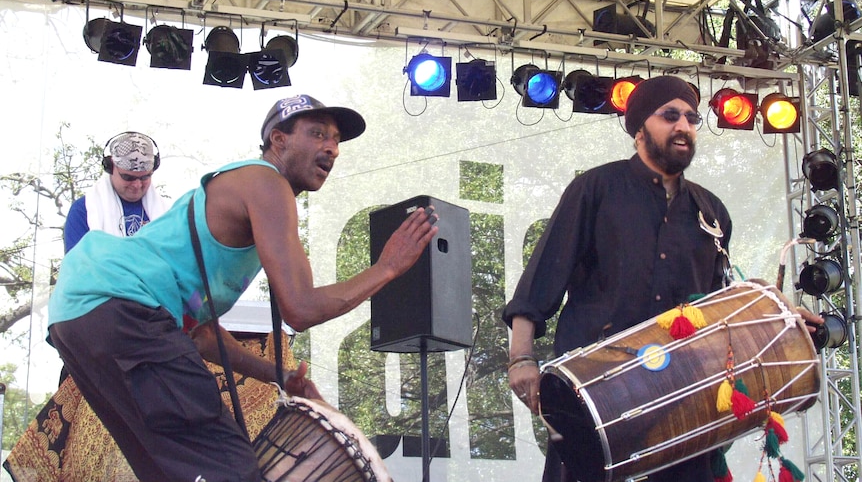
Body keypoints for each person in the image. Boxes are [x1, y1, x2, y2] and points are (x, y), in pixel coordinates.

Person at [47, 94, 439, 482]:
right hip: (120, 307)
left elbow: (200, 335)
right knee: (226, 464)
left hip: (79, 316)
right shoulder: (265, 182)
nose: (331, 148)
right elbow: (300, 309)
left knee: (175, 467)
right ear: (279, 141)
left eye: (336, 140)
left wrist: (279, 376)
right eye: (318, 134)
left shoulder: (242, 203)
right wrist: (387, 268)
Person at [502, 75, 732, 482]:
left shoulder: (711, 212)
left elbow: (719, 308)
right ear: (640, 129)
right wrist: (522, 358)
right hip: (596, 390)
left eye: (692, 118)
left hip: (680, 400)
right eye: (671, 115)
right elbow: (542, 278)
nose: (684, 126)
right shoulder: (596, 188)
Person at [63, 131, 170, 253]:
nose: (137, 185)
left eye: (145, 177)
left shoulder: (166, 214)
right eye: (128, 178)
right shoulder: (84, 210)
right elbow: (77, 266)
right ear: (111, 167)